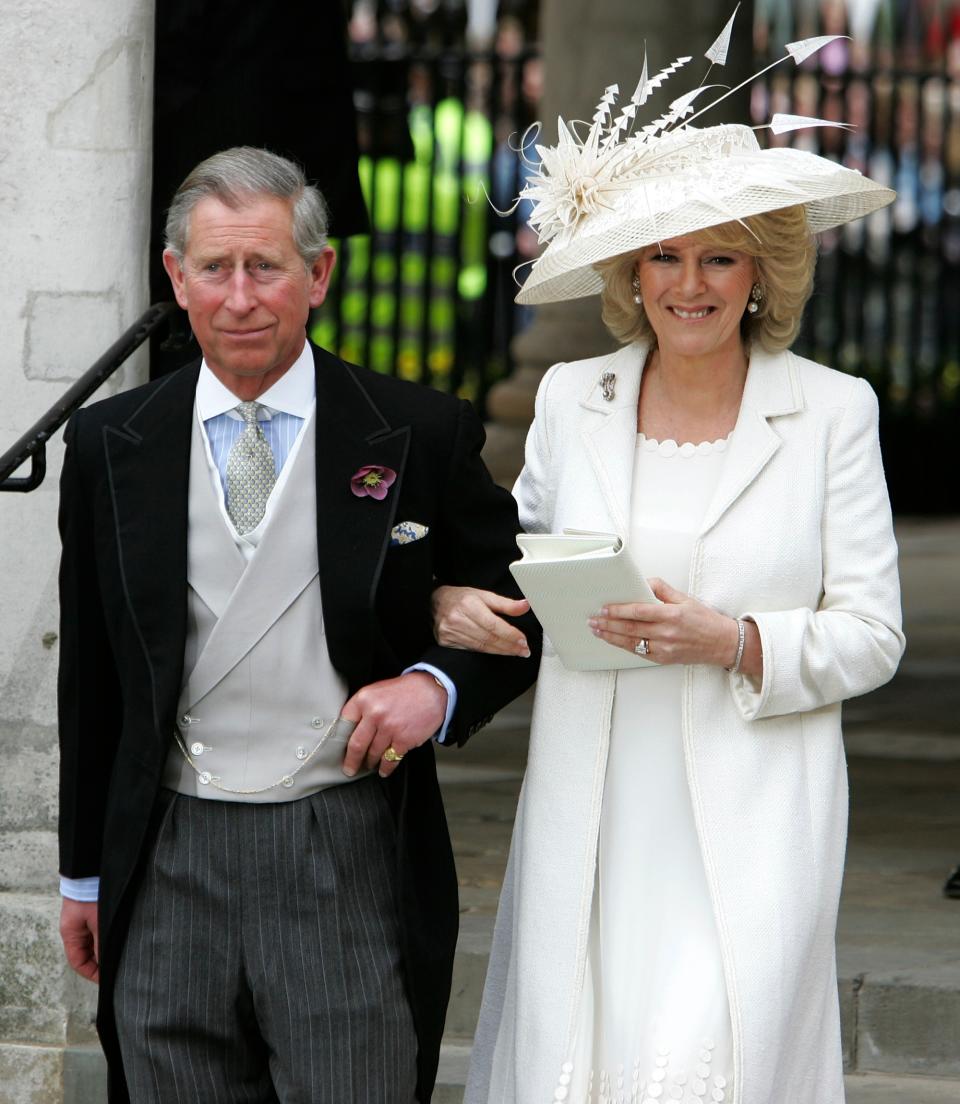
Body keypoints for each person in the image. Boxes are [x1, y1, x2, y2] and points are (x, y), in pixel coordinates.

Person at [432, 35, 906, 1104]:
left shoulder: (834, 413)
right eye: (665, 257)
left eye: (720, 257)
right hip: (593, 812)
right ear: (630, 273)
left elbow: (874, 636)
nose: (689, 285)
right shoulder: (570, 400)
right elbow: (532, 584)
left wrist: (735, 641)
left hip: (752, 815)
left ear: (763, 274)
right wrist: (463, 604)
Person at [56, 146, 539, 1104]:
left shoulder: (417, 431)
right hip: (166, 846)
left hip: (343, 841)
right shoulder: (112, 443)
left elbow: (528, 607)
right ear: (176, 279)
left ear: (318, 275)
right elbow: (93, 672)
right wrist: (82, 875)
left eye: (265, 267)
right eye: (214, 268)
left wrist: (433, 688)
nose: (240, 297)